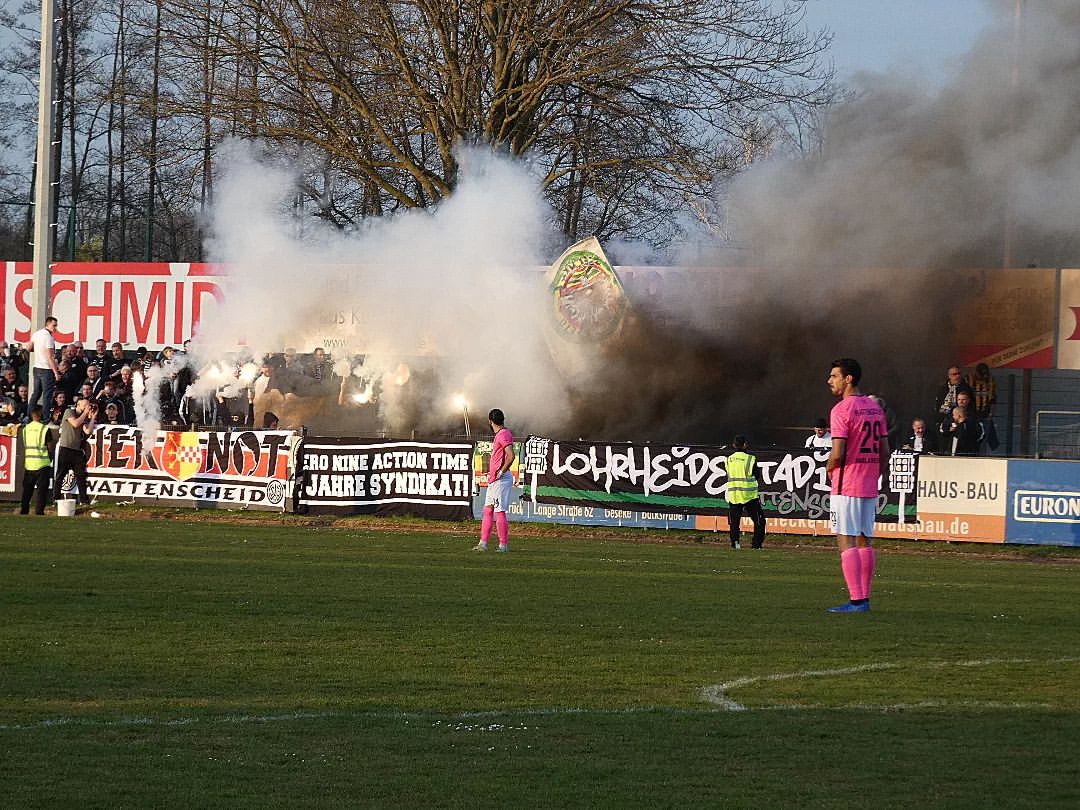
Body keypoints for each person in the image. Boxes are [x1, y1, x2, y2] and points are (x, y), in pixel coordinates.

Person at [825, 357, 890, 614]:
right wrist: (874, 474)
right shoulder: (875, 408)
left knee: (845, 538)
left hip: (847, 481)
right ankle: (864, 598)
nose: (830, 381)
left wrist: (829, 467)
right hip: (868, 483)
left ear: (848, 378)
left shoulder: (841, 409)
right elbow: (885, 451)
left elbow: (838, 452)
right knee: (865, 539)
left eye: (834, 376)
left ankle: (856, 600)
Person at [473, 408, 515, 552]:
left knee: (499, 511)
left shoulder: (503, 435)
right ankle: (483, 544)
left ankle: (503, 545)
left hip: (501, 479)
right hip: (495, 479)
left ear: (490, 421)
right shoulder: (502, 434)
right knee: (488, 510)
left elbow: (511, 456)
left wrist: (501, 471)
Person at [53, 395, 98, 508]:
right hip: (66, 448)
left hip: (76, 450)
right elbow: (75, 424)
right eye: (85, 405)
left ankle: (84, 500)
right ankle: (56, 498)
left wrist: (93, 417)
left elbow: (87, 431)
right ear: (78, 405)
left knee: (80, 476)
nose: (87, 406)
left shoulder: (82, 417)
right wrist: (85, 414)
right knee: (61, 474)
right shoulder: (69, 412)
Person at [725, 435, 766, 549]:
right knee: (759, 521)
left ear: (734, 445)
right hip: (749, 495)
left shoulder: (729, 459)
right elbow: (757, 475)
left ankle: (735, 544)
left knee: (734, 523)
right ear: (745, 445)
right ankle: (756, 545)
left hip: (734, 494)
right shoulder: (751, 459)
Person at [19, 405, 54, 515]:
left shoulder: (25, 429)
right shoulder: (45, 429)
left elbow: (25, 445)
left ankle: (24, 510)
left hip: (29, 464)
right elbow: (50, 447)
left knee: (27, 490)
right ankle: (39, 511)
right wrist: (50, 458)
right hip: (42, 464)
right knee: (41, 490)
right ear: (41, 415)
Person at [28, 316, 61, 412]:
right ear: (48, 324)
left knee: (36, 393)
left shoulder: (36, 334)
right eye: (54, 325)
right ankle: (46, 418)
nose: (55, 328)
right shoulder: (48, 337)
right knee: (47, 395)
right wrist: (56, 373)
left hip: (37, 367)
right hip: (46, 369)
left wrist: (39, 350)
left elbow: (29, 348)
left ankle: (29, 416)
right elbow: (50, 357)